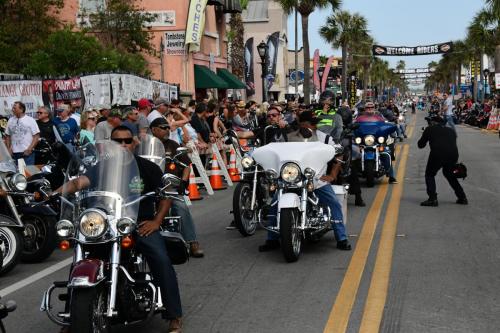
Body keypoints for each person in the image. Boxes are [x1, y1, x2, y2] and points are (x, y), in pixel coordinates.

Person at [56, 125, 183, 332]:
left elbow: (166, 195)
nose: (122, 145)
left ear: (133, 143)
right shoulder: (100, 167)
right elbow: (79, 182)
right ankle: (74, 315)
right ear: (110, 144)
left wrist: (156, 221)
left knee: (160, 258)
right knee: (80, 258)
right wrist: (56, 193)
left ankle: (174, 314)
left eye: (126, 141)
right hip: (106, 224)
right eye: (117, 141)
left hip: (139, 223)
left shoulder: (147, 168)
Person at [259, 110, 351, 252]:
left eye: (311, 124)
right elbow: (276, 151)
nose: (308, 126)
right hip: (290, 179)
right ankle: (272, 239)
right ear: (300, 123)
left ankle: (342, 238)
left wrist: (332, 175)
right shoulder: (288, 138)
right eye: (304, 123)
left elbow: (339, 153)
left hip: (316, 180)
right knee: (274, 205)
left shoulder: (325, 139)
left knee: (334, 204)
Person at [149, 118, 204, 257]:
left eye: (168, 127)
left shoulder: (173, 145)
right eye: (163, 127)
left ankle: (192, 242)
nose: (167, 130)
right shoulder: (146, 145)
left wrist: (182, 182)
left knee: (181, 206)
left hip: (170, 186)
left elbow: (186, 166)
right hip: (149, 186)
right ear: (153, 129)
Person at [418, 115, 467, 207]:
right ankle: (462, 197)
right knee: (450, 175)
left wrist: (425, 134)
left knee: (430, 174)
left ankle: (432, 199)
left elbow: (420, 145)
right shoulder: (451, 130)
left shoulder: (429, 129)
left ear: (433, 122)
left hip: (438, 154)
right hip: (453, 155)